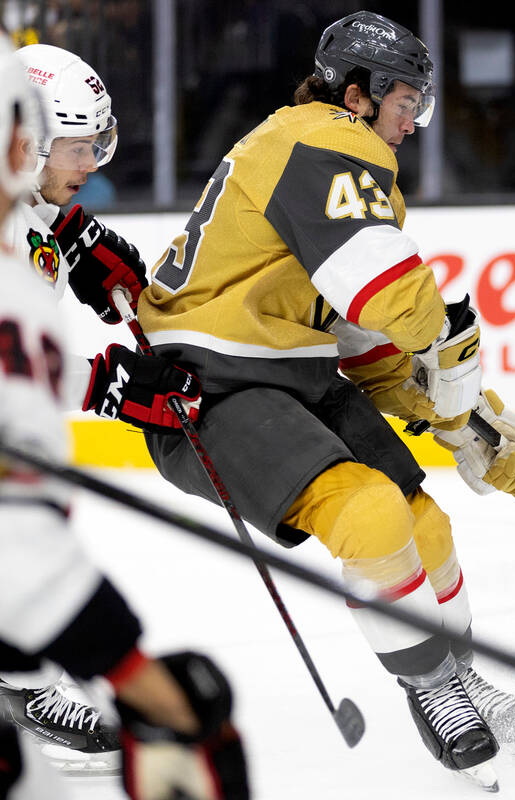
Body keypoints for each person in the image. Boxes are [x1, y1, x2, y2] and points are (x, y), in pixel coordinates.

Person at [136, 10, 515, 788]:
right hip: (211, 381)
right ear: (358, 93)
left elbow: (370, 342)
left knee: (422, 524)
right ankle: (433, 690)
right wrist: (458, 384)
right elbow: (399, 299)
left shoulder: (333, 162)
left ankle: (459, 678)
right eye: (406, 103)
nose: (412, 123)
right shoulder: (326, 142)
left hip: (290, 371)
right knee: (367, 510)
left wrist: (465, 420)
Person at [0, 37, 249, 800]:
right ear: (26, 139)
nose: (91, 164)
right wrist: (113, 386)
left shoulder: (26, 223)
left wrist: (70, 237)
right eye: (79, 146)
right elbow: (16, 539)